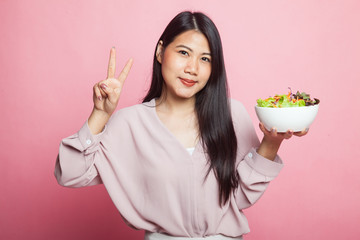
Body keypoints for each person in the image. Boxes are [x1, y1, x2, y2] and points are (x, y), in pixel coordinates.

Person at [55, 11, 307, 240]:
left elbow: (240, 197)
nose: (192, 69)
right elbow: (70, 173)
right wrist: (100, 114)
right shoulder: (129, 123)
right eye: (184, 53)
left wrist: (272, 142)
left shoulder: (231, 114)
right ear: (160, 51)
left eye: (205, 59)